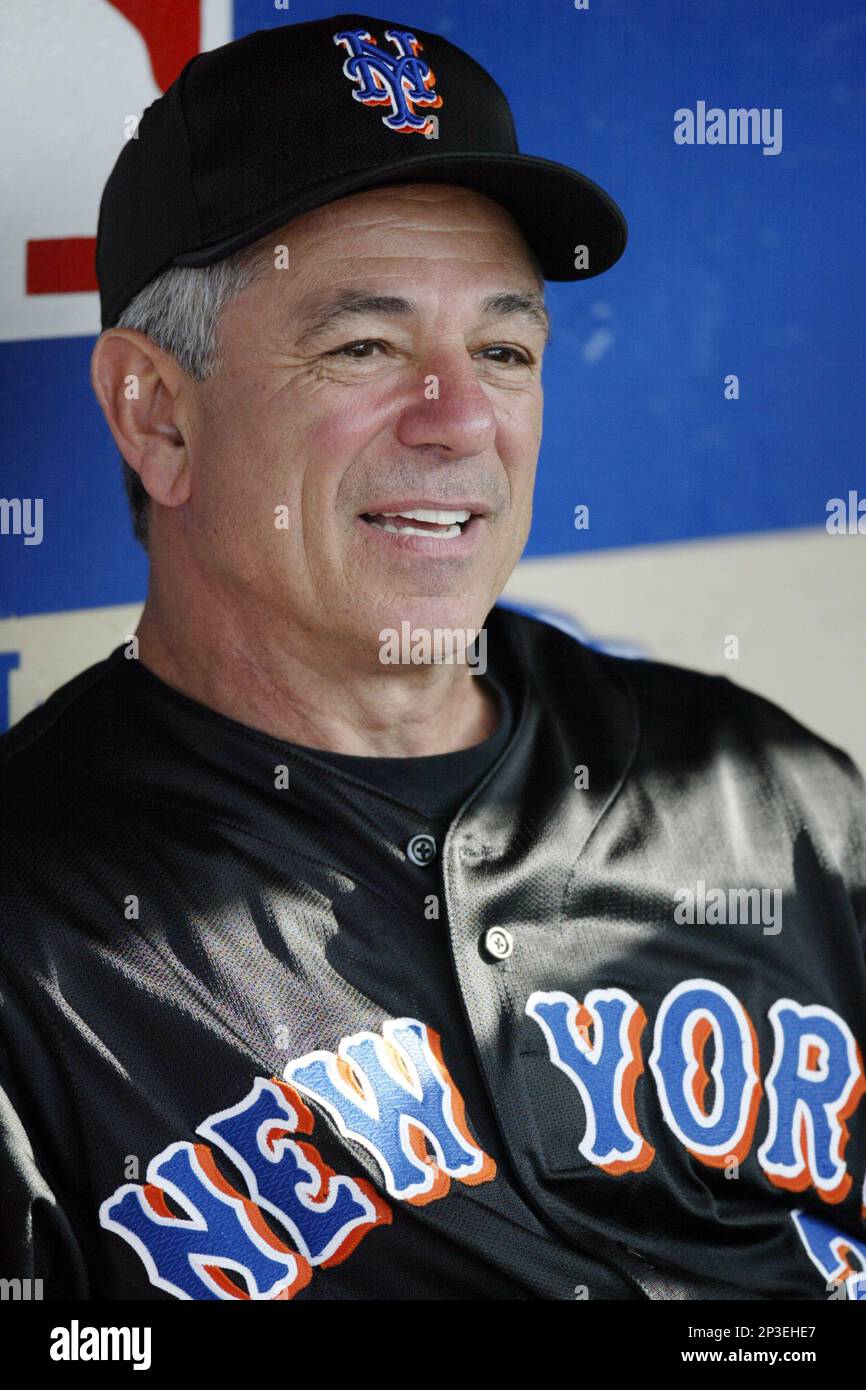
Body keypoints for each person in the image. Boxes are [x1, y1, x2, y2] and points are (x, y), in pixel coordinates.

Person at [2, 14, 865, 1302]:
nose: (460, 421)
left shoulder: (763, 793)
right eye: (365, 347)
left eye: (504, 352)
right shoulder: (34, 928)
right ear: (158, 415)